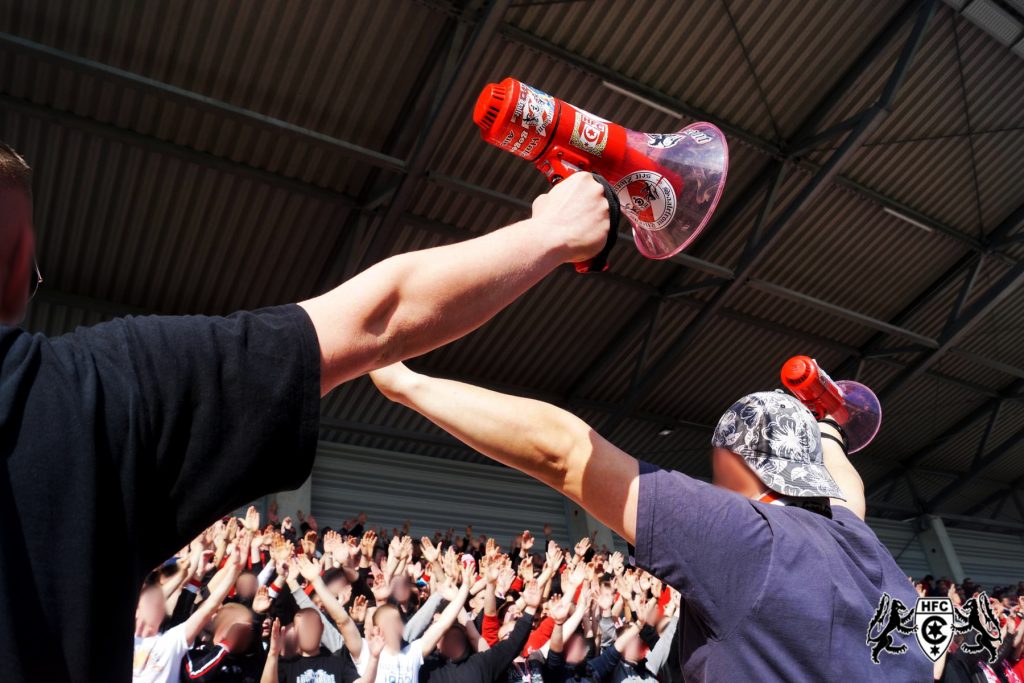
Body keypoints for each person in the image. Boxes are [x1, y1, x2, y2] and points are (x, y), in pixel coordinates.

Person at [0, 139, 613, 683]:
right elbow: (382, 314)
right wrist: (552, 232)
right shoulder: (91, 391)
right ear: (16, 262)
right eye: (33, 278)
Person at [369, 364, 932, 680]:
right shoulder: (860, 543)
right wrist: (829, 424)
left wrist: (406, 385)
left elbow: (564, 452)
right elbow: (846, 490)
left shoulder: (749, 541)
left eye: (717, 473)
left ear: (743, 469)